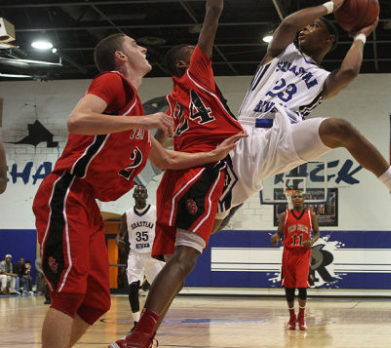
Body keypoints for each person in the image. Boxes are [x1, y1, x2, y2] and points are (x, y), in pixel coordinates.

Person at [32, 30, 243, 348]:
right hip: (66, 190)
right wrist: (144, 121)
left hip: (88, 203)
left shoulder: (133, 113)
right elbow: (77, 120)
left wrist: (212, 155)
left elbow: (169, 158)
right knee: (69, 290)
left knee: (97, 301)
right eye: (134, 44)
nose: (143, 47)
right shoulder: (112, 82)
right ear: (120, 56)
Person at [214, 0, 391, 230]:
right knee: (206, 227)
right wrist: (332, 5)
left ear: (329, 39)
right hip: (245, 131)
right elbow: (288, 24)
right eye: (307, 25)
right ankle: (223, 211)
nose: (305, 29)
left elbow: (349, 71)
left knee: (340, 128)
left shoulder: (323, 78)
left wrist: (362, 35)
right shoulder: (279, 53)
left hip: (284, 135)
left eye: (314, 25)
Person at [110, 1, 244, 347]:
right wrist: (214, 8)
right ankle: (141, 334)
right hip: (202, 170)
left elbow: (160, 145)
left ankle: (146, 333)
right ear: (186, 62)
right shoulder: (195, 74)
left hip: (182, 175)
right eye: (194, 52)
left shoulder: (173, 100)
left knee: (184, 256)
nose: (202, 53)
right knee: (185, 259)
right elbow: (210, 28)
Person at [116, 185, 165, 333]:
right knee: (132, 288)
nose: (139, 193)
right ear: (133, 196)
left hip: (151, 254)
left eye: (142, 191)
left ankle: (153, 320)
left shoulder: (155, 211)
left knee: (160, 290)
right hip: (135, 255)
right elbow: (120, 234)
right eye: (137, 192)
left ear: (146, 195)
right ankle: (137, 323)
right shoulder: (127, 214)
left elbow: (165, 227)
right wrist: (118, 239)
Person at [271, 191, 320, 330]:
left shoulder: (311, 215)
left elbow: (317, 232)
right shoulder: (284, 215)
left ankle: (302, 317)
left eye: (299, 196)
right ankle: (292, 318)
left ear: (304, 199)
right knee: (289, 288)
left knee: (302, 287)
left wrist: (312, 241)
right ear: (291, 200)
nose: (297, 198)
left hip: (303, 254)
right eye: (294, 197)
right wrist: (275, 237)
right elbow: (280, 233)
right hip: (288, 253)